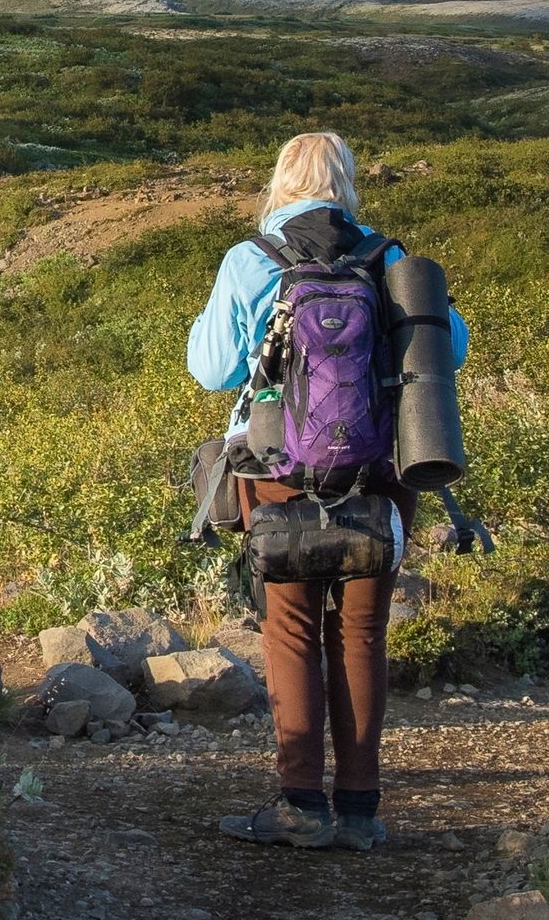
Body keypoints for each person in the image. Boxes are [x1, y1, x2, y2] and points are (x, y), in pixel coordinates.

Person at [186, 130, 466, 852]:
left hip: (278, 473)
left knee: (291, 632)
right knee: (363, 633)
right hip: (381, 473)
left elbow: (212, 368)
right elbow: (451, 348)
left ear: (279, 181)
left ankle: (301, 805)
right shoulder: (387, 257)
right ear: (347, 182)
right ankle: (362, 811)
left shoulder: (250, 260)